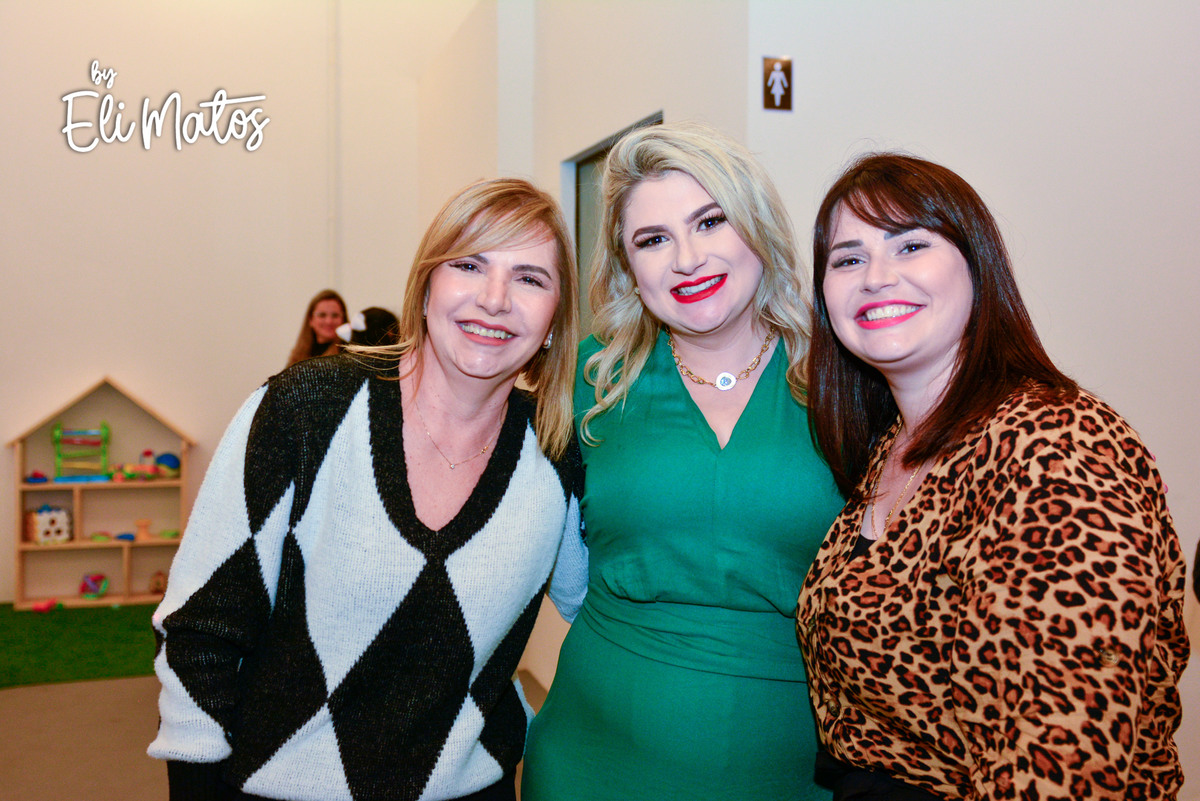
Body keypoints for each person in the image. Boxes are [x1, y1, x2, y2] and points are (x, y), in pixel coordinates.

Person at [148, 178, 587, 801]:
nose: (495, 299)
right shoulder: (307, 408)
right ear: (427, 287)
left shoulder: (556, 453)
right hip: (280, 790)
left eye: (530, 278)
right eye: (469, 265)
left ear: (554, 323)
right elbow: (200, 626)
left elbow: (609, 606)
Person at [796, 153, 1188, 800]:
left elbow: (1063, 763)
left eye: (911, 244)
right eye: (848, 258)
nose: (876, 277)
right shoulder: (893, 444)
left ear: (977, 266)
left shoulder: (1057, 447)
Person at [521, 122, 843, 800]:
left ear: (757, 226)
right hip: (594, 759)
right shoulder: (588, 381)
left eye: (710, 221)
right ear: (628, 268)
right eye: (653, 239)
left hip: (796, 763)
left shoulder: (845, 381)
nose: (687, 259)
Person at [286, 289, 348, 366]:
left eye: (335, 315)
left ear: (343, 319)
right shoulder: (297, 357)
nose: (329, 321)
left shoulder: (348, 357)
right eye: (322, 315)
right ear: (310, 319)